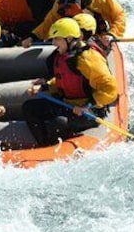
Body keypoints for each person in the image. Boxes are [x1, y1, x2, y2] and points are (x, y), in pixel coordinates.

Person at [22, 18, 118, 147]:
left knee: (59, 122)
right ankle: (44, 144)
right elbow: (65, 80)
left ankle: (55, 149)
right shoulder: (64, 54)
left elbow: (110, 89)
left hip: (89, 110)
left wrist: (89, 105)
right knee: (29, 107)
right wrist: (44, 87)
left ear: (69, 39)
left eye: (57, 39)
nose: (53, 43)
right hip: (68, 104)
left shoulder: (88, 58)